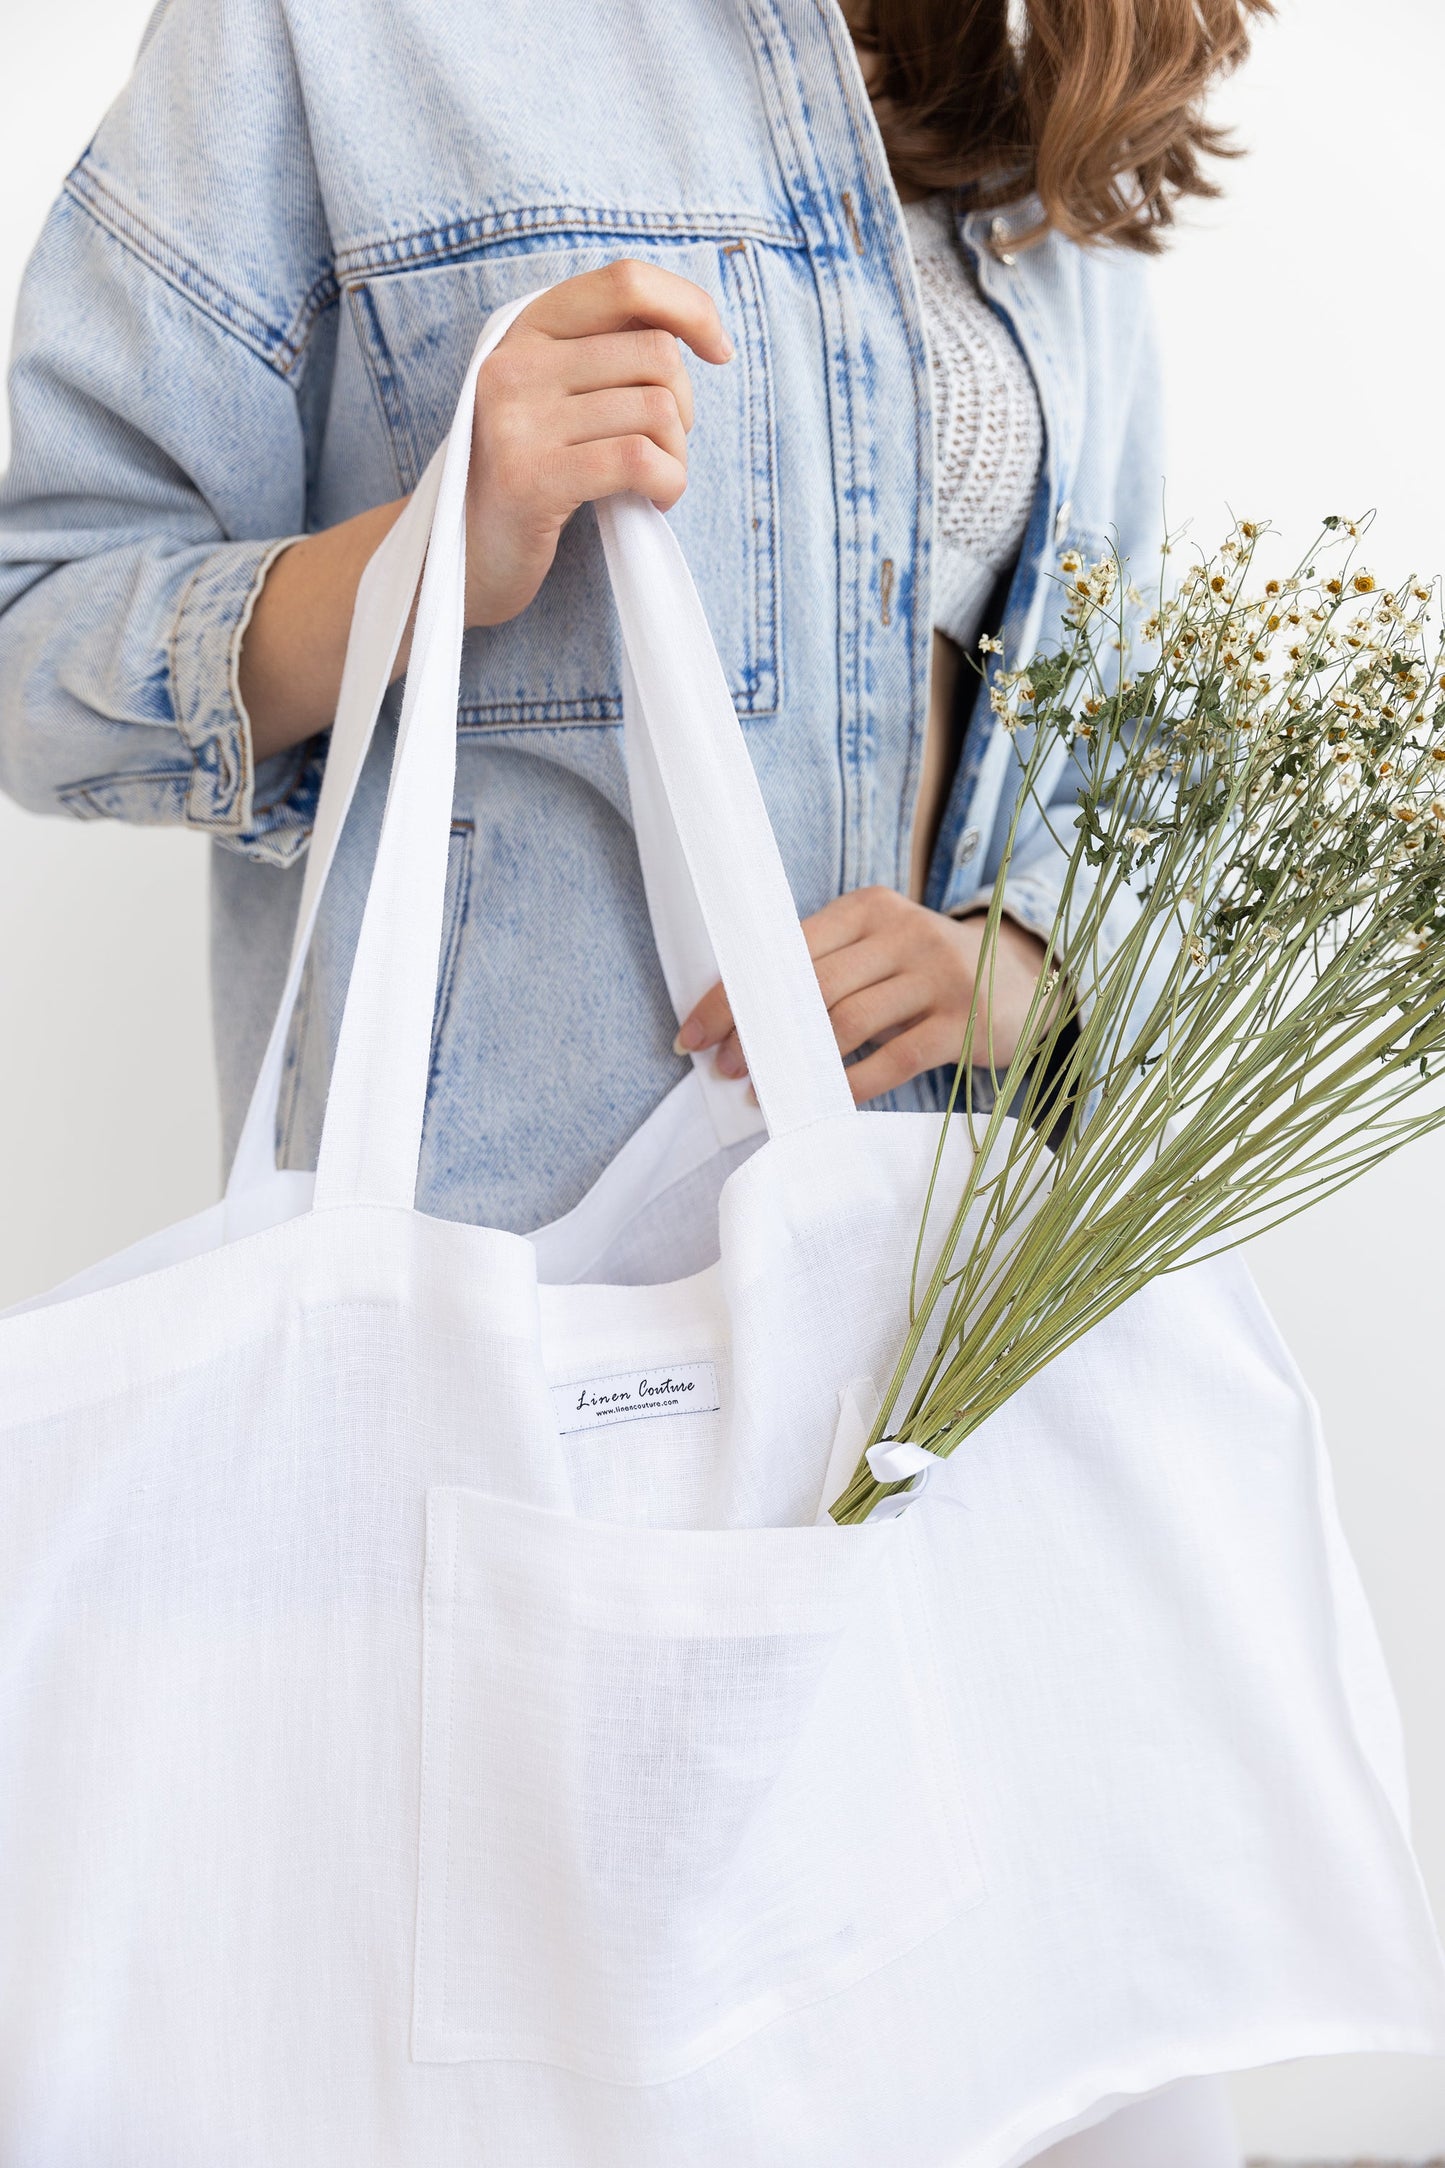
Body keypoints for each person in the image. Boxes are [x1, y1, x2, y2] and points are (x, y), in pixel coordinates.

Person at [0, 0, 1270, 2155]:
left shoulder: (1049, 53)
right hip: (511, 1399)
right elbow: (37, 630)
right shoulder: (338, 31)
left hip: (941, 1371)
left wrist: (1029, 972)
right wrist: (420, 559)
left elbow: (1134, 725)